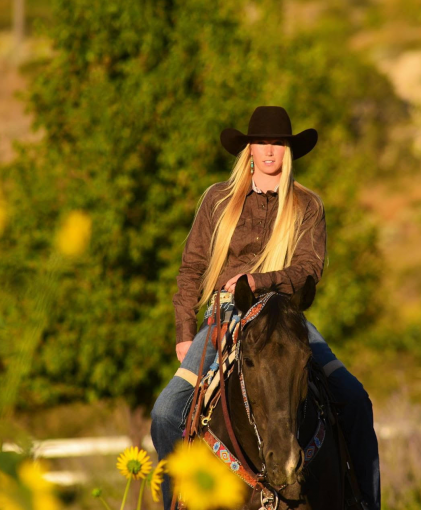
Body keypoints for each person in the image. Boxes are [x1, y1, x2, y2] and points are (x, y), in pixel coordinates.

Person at [150, 106, 380, 509]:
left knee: (356, 402)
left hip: (286, 320)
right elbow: (191, 270)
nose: (270, 150)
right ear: (249, 149)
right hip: (224, 318)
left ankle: (364, 503)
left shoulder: (307, 205)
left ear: (288, 151)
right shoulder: (218, 200)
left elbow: (309, 270)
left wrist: (260, 281)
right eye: (262, 142)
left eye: (278, 143)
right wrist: (185, 334)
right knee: (167, 413)